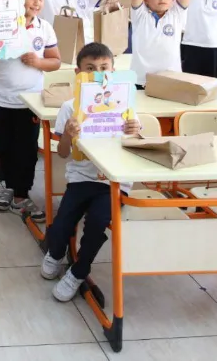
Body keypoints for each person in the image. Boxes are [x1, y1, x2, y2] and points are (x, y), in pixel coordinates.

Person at [41, 43, 140, 301]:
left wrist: (135, 132)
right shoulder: (69, 107)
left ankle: (79, 271)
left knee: (97, 223)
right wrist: (68, 135)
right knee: (62, 223)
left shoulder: (125, 103)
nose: (98, 74)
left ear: (113, 70)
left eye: (104, 68)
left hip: (114, 181)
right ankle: (56, 252)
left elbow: (136, 148)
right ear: (78, 73)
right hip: (81, 177)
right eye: (90, 68)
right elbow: (63, 153)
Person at [0, 0, 60, 220]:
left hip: (30, 102)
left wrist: (38, 62)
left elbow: (55, 61)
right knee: (4, 145)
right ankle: (9, 187)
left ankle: (22, 194)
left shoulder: (44, 28)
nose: (36, 3)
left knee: (26, 149)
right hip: (0, 98)